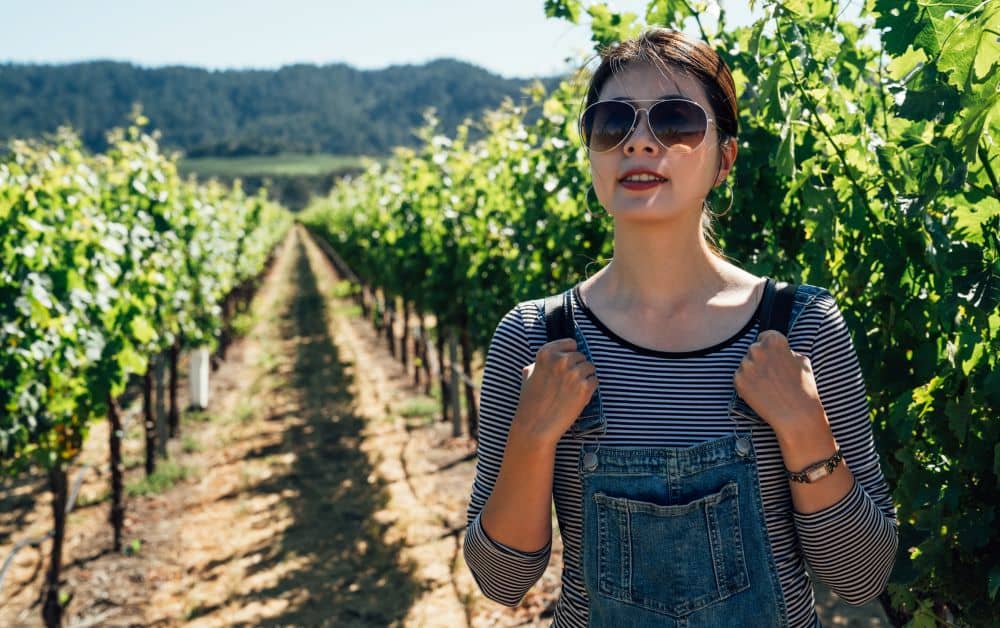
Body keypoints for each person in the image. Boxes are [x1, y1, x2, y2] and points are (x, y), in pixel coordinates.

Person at [462, 27, 899, 628]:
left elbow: (861, 575)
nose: (640, 142)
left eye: (676, 121)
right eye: (613, 122)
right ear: (591, 148)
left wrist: (803, 427)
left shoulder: (801, 328)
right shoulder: (537, 338)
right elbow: (501, 580)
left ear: (724, 157)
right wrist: (533, 436)